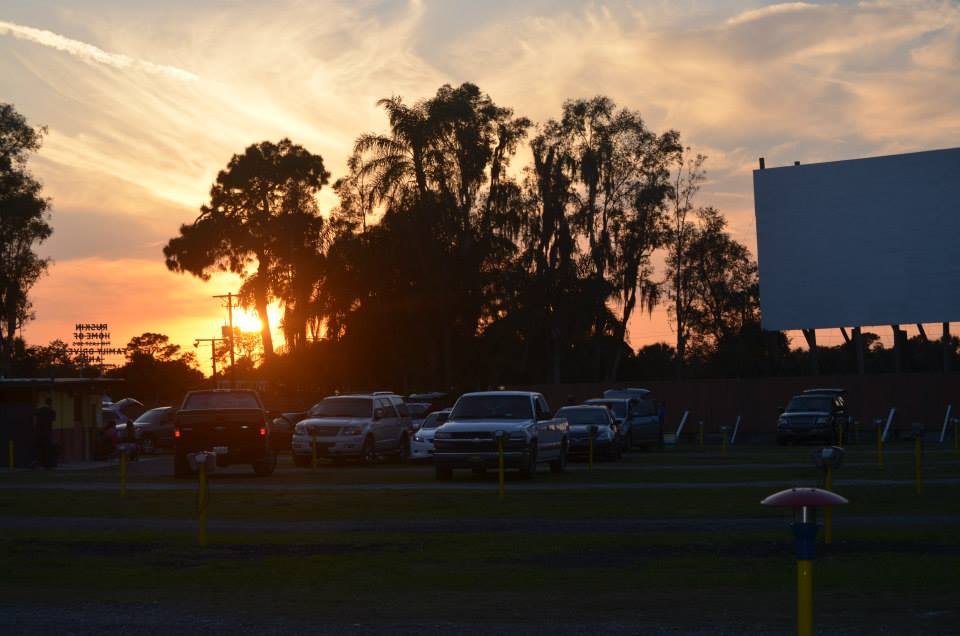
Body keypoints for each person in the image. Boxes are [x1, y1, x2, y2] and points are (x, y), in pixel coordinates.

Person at [34, 398, 56, 469]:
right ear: (50, 403)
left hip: (38, 433)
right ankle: (47, 465)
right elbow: (53, 419)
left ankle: (39, 463)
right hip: (47, 433)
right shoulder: (51, 411)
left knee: (39, 449)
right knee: (47, 449)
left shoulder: (39, 410)